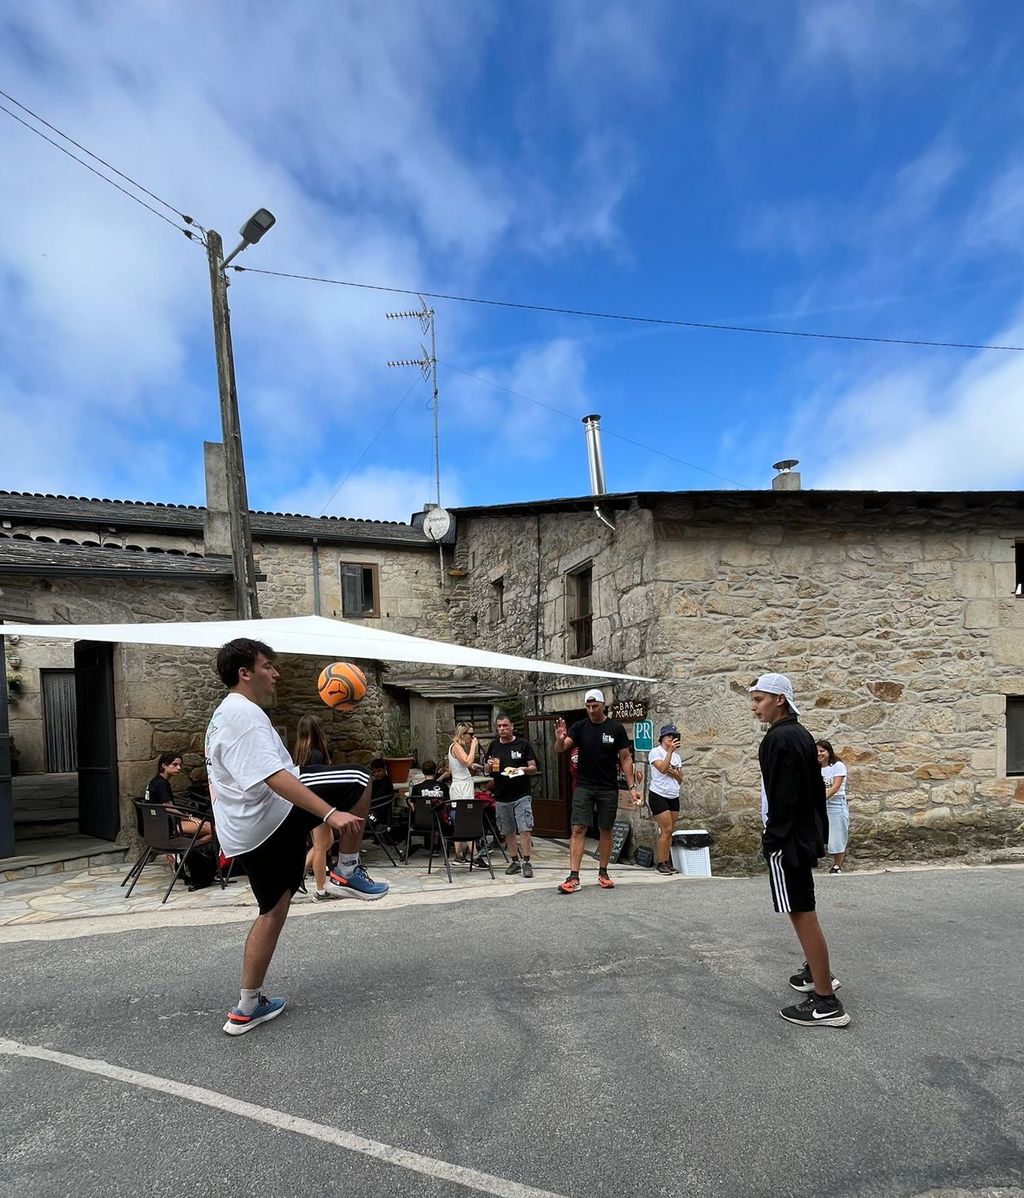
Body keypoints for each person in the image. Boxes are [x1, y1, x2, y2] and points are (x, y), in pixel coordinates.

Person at [205, 638, 387, 1037]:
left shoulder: (226, 714)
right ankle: (346, 871)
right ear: (245, 673)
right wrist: (328, 812)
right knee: (359, 778)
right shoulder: (243, 715)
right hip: (269, 818)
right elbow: (273, 777)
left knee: (272, 910)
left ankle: (247, 1006)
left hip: (246, 832)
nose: (276, 674)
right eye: (268, 666)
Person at [749, 673, 850, 1028]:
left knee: (801, 912)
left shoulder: (779, 738)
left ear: (779, 699)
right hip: (803, 835)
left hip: (788, 839)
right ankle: (814, 972)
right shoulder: (799, 734)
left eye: (759, 699)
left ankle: (825, 1001)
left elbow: (784, 797)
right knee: (803, 908)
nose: (754, 706)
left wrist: (772, 838)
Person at [554, 689, 640, 893]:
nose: (591, 710)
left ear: (603, 705)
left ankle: (603, 872)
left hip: (607, 787)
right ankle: (574, 876)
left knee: (606, 830)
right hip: (584, 785)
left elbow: (626, 758)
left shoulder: (615, 728)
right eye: (588, 706)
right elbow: (561, 748)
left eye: (595, 706)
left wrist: (632, 787)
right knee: (578, 828)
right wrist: (559, 738)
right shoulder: (579, 727)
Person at [484, 713, 538, 878]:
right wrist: (488, 766)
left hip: (521, 794)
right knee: (507, 831)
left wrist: (521, 770)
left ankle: (527, 862)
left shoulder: (523, 744)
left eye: (505, 726)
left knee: (525, 828)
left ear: (511, 726)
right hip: (501, 795)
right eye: (499, 726)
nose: (502, 729)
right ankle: (514, 861)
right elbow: (488, 769)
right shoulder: (494, 746)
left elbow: (533, 767)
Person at [292, 714, 336, 902]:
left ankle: (295, 878)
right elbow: (321, 783)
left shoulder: (301, 752)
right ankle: (321, 890)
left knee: (327, 841)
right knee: (320, 846)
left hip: (307, 803)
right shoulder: (317, 754)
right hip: (319, 804)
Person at [145, 750, 213, 846]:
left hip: (158, 823)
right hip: (167, 825)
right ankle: (186, 850)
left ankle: (185, 850)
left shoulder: (156, 781)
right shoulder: (161, 784)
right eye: (175, 764)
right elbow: (169, 808)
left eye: (180, 765)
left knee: (205, 824)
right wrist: (190, 818)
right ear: (164, 766)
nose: (179, 768)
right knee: (212, 830)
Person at [649, 724, 683, 875]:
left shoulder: (677, 757)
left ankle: (667, 861)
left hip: (673, 794)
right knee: (666, 829)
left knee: (670, 831)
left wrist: (672, 771)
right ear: (662, 738)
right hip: (658, 794)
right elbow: (662, 768)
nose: (672, 739)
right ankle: (660, 863)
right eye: (669, 736)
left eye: (674, 737)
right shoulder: (655, 752)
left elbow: (680, 778)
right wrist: (669, 754)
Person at [447, 723, 479, 863]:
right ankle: (475, 856)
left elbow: (464, 764)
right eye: (470, 734)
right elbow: (466, 761)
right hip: (461, 788)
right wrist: (473, 747)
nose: (472, 737)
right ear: (462, 734)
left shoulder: (456, 747)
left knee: (461, 820)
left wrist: (474, 766)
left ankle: (459, 855)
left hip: (462, 786)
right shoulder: (456, 746)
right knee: (467, 820)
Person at [816, 739, 849, 874]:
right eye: (816, 751)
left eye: (822, 751)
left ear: (829, 752)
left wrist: (820, 800)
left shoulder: (838, 766)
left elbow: (835, 787)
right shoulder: (815, 768)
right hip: (820, 805)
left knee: (837, 835)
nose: (819, 754)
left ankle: (837, 865)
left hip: (835, 804)